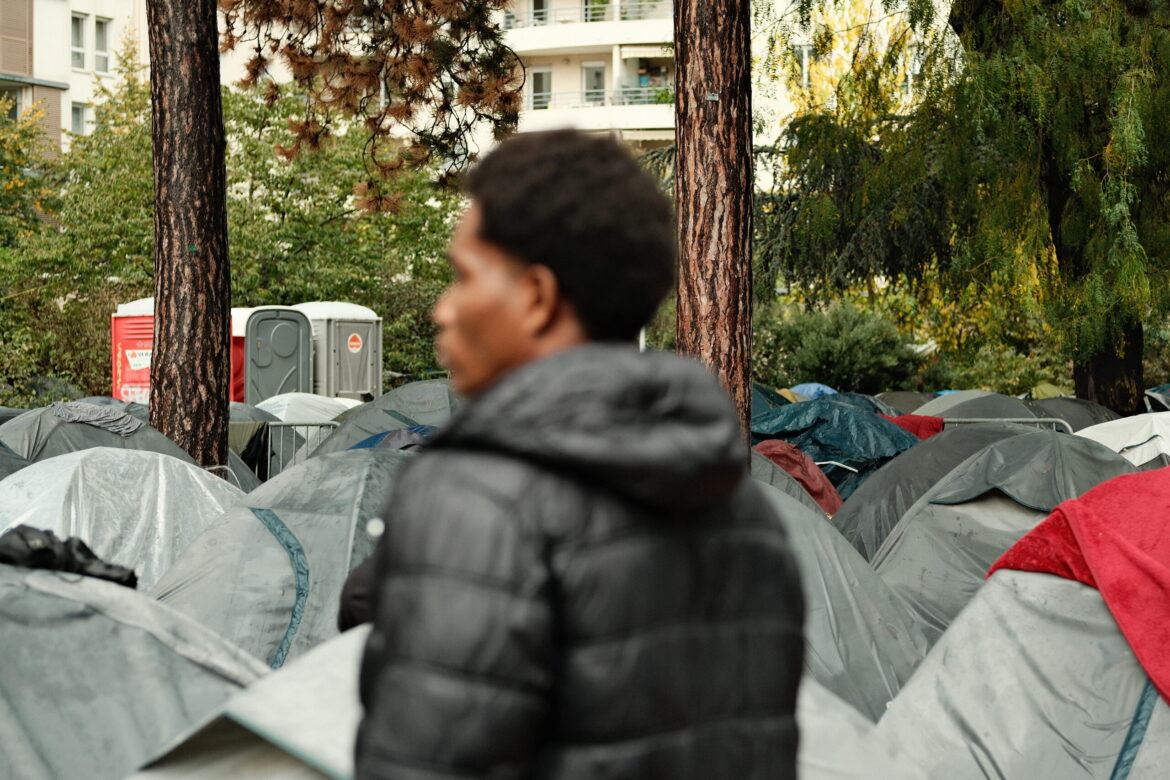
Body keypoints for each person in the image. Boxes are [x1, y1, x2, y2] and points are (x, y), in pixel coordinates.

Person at [354, 129, 805, 780]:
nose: (442, 309)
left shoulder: (481, 498)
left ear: (536, 299)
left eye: (463, 277)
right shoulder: (747, 511)